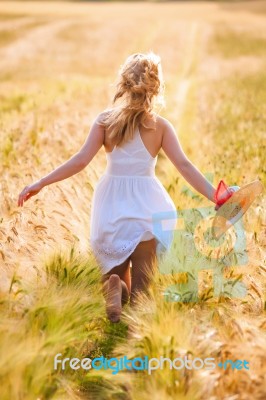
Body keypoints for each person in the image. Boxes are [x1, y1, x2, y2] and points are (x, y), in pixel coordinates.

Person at [18, 52, 227, 323]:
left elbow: (80, 160)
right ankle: (132, 325)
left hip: (111, 208)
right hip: (148, 210)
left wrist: (41, 182)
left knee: (114, 278)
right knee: (141, 297)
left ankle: (114, 286)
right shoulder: (160, 127)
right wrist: (217, 196)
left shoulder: (105, 121)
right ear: (157, 87)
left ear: (123, 84)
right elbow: (185, 167)